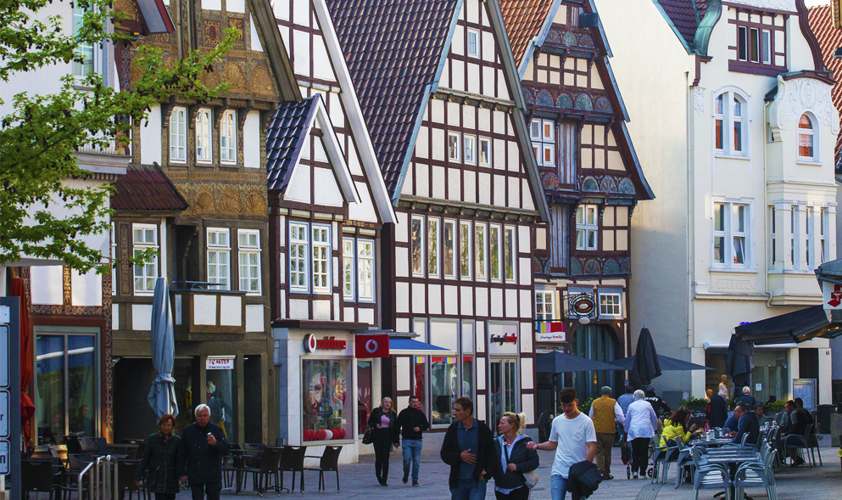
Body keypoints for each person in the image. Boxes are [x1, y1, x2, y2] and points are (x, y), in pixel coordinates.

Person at [527, 387, 596, 500]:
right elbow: (553, 444)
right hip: (559, 470)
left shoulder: (586, 421)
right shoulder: (557, 421)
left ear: (576, 402)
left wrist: (586, 467)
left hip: (578, 471)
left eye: (570, 405)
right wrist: (537, 446)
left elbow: (591, 446)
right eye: (564, 405)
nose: (567, 409)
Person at [440, 397, 496, 500]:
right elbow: (444, 454)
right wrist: (460, 456)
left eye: (457, 410)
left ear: (467, 411)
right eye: (454, 409)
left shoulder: (482, 429)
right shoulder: (453, 430)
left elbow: (492, 453)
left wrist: (486, 474)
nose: (454, 413)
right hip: (458, 482)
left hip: (477, 481)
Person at [177, 404, 229, 500]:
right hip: (195, 472)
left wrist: (215, 443)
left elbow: (225, 451)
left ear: (209, 416)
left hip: (212, 473)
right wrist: (182, 473)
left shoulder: (216, 430)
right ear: (195, 416)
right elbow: (182, 453)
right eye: (199, 416)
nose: (202, 418)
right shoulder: (188, 430)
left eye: (205, 416)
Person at [492, 412, 539, 499]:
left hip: (519, 487)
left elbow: (534, 462)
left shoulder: (524, 441)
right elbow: (491, 461)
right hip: (500, 488)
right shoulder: (497, 442)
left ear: (511, 426)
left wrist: (517, 467)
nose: (499, 426)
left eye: (502, 423)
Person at [136, 414, 182, 500]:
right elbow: (145, 458)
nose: (166, 427)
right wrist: (138, 476)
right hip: (157, 476)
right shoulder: (153, 439)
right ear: (160, 425)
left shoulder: (176, 440)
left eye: (168, 425)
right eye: (164, 425)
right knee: (159, 496)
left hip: (171, 477)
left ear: (172, 427)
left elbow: (180, 459)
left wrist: (182, 474)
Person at [587, 386, 624, 480]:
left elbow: (590, 416)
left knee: (599, 452)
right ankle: (606, 473)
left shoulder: (595, 402)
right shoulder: (613, 402)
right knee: (607, 452)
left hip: (596, 430)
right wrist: (625, 425)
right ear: (610, 394)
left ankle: (599, 472)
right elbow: (620, 416)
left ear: (601, 393)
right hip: (608, 430)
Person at [395, 395, 429, 486]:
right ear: (409, 402)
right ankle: (406, 473)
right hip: (407, 440)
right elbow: (397, 426)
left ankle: (415, 479)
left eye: (417, 402)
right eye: (414, 402)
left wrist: (420, 428)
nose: (415, 404)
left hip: (418, 440)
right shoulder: (404, 413)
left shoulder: (420, 413)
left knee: (416, 461)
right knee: (406, 459)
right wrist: (396, 440)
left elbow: (426, 425)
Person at [623, 389, 658, 480]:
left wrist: (626, 430)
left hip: (634, 430)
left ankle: (634, 471)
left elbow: (628, 419)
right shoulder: (647, 404)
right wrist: (654, 428)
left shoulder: (631, 405)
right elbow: (654, 417)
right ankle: (642, 473)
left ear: (634, 397)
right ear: (643, 396)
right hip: (645, 430)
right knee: (644, 451)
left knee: (635, 451)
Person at [368, 397, 399, 486]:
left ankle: (384, 478)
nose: (387, 404)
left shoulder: (393, 414)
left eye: (389, 402)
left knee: (385, 457)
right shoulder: (376, 411)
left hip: (387, 436)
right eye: (385, 402)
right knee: (379, 457)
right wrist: (375, 425)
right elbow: (370, 422)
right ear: (382, 403)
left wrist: (396, 441)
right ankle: (378, 475)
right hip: (378, 435)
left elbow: (395, 428)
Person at [780, 400, 809, 466]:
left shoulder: (794, 414)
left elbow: (794, 428)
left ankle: (779, 458)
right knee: (784, 441)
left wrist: (785, 434)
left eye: (787, 407)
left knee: (780, 441)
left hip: (799, 438)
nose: (786, 410)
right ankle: (794, 458)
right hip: (804, 437)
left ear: (791, 407)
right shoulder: (801, 412)